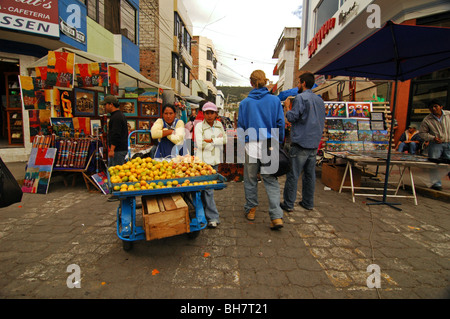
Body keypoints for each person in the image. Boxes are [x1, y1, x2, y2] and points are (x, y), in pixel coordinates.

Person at [238, 70, 285, 230]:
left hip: (251, 145)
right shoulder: (275, 101)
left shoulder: (245, 103)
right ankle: (276, 217)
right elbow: (280, 123)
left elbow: (241, 127)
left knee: (251, 180)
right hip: (270, 144)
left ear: (251, 83)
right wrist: (280, 142)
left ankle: (251, 209)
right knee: (271, 181)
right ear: (265, 82)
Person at [281, 72, 325, 212]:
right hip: (313, 142)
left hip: (301, 142)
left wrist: (288, 107)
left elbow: (293, 118)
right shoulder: (319, 100)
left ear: (304, 83)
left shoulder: (301, 98)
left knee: (293, 174)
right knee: (309, 175)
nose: (298, 85)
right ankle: (308, 202)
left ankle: (288, 204)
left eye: (299, 83)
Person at [194, 102, 227, 228]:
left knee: (207, 190)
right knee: (207, 190)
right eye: (206, 113)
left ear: (215, 114)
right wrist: (216, 142)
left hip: (215, 161)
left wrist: (212, 140)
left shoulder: (219, 125)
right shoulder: (199, 126)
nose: (209, 115)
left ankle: (204, 214)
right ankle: (212, 217)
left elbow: (224, 140)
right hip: (203, 162)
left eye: (211, 113)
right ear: (203, 114)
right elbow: (200, 144)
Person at [419, 100, 450, 191]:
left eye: (436, 106)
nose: (433, 109)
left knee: (449, 163)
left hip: (449, 142)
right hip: (436, 144)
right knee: (434, 163)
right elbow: (422, 133)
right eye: (431, 107)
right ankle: (436, 183)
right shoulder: (427, 119)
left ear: (441, 107)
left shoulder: (448, 115)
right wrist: (432, 138)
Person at [102, 95, 128, 202]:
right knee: (117, 170)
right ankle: (118, 192)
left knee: (117, 171)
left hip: (118, 149)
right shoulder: (119, 115)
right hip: (120, 148)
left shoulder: (116, 117)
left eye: (105, 105)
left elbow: (116, 134)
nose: (105, 107)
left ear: (111, 104)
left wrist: (112, 149)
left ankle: (119, 193)